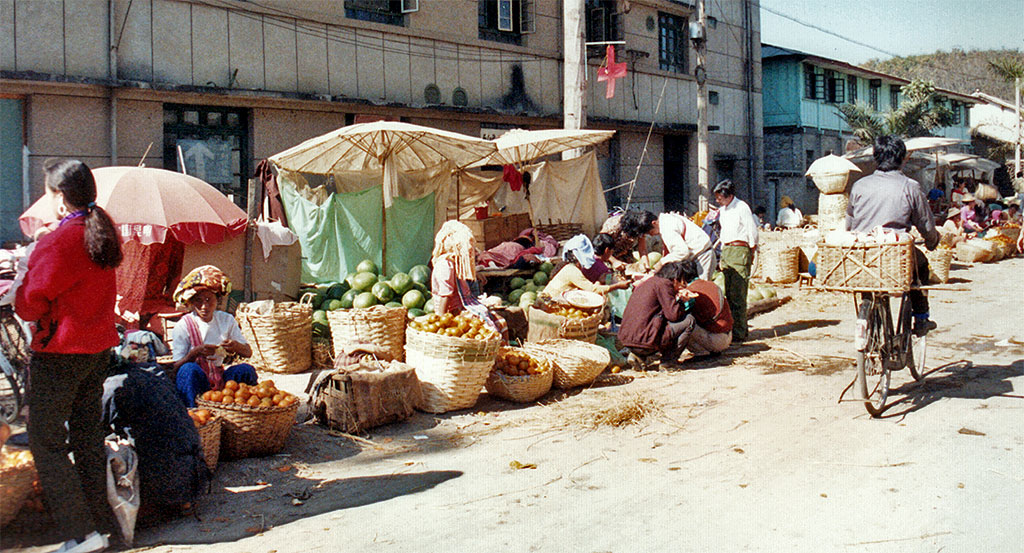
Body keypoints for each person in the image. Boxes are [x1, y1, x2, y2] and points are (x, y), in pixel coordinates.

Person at [15, 159, 123, 553]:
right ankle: (101, 525)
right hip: (97, 349)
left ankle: (80, 534)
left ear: (60, 198)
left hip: (61, 352)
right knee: (87, 437)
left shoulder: (59, 240)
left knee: (46, 442)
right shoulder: (102, 227)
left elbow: (29, 304)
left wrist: (27, 274)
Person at [846, 135, 939, 336]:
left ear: (875, 158)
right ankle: (921, 317)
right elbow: (925, 223)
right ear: (902, 158)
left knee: (866, 277)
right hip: (896, 253)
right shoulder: (910, 186)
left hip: (864, 252)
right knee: (921, 265)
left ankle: (867, 307)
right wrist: (933, 241)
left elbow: (850, 223)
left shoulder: (859, 186)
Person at [171, 265, 256, 408]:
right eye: (198, 300)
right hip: (198, 382)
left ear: (217, 300)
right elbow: (175, 367)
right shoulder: (183, 325)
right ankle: (193, 414)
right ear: (191, 302)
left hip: (222, 381)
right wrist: (194, 353)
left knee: (246, 370)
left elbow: (248, 352)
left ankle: (246, 412)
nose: (204, 306)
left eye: (208, 299)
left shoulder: (226, 320)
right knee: (188, 370)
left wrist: (235, 346)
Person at [618, 261, 697, 366]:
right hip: (643, 341)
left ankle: (638, 355)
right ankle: (668, 361)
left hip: (628, 340)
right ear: (675, 279)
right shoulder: (665, 284)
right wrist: (682, 301)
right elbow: (673, 315)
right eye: (681, 281)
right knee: (689, 320)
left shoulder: (649, 283)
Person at [713, 179, 759, 343]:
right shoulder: (723, 210)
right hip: (727, 250)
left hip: (740, 249)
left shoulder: (742, 207)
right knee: (729, 293)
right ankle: (733, 328)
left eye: (720, 197)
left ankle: (740, 332)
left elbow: (751, 229)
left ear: (729, 195)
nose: (718, 201)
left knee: (738, 293)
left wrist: (752, 250)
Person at [620, 210, 716, 280]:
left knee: (700, 291)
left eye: (650, 232)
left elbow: (682, 252)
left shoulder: (667, 229)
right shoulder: (665, 219)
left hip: (702, 256)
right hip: (697, 255)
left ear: (654, 223)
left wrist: (662, 262)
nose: (652, 235)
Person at [544, 234, 630, 298]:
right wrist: (618, 286)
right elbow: (593, 290)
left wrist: (599, 282)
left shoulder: (571, 268)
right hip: (551, 301)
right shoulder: (572, 271)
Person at [678, 259, 733, 357]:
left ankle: (701, 352)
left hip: (715, 338)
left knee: (683, 322)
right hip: (727, 336)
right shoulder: (711, 284)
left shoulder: (691, 291)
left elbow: (678, 313)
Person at [431, 220, 479, 316]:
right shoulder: (445, 265)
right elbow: (445, 295)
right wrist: (441, 319)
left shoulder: (454, 263)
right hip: (451, 312)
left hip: (461, 307)